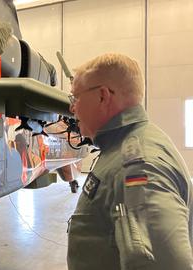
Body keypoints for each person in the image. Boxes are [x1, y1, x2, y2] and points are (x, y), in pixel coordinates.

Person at [66, 53, 193, 270]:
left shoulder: (137, 165)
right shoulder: (124, 146)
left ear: (103, 96)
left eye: (75, 98)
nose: (72, 108)